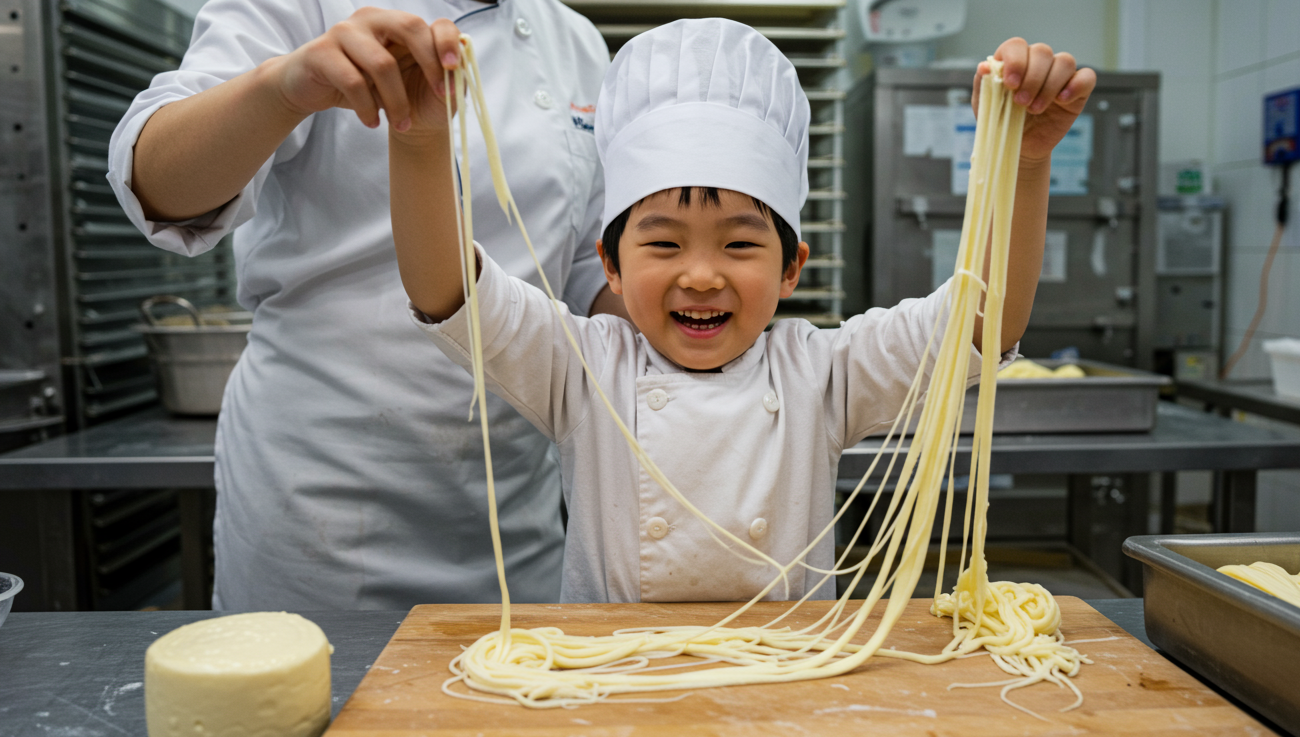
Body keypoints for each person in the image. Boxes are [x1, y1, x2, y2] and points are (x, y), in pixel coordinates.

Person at [392, 19, 1096, 602]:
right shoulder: (583, 368)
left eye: (738, 244)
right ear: (609, 263)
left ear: (792, 268)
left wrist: (1024, 165)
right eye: (664, 242)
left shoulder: (818, 373)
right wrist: (420, 141)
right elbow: (448, 291)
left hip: (789, 684)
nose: (701, 275)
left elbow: (981, 322)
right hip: (611, 680)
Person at [107, 0, 625, 610]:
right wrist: (282, 90)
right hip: (324, 506)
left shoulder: (576, 41)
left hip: (514, 510)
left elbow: (593, 277)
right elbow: (156, 183)